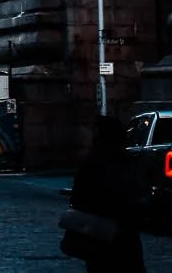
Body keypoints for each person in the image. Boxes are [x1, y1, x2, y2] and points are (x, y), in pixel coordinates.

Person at [61, 115, 146, 272]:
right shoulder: (125, 161)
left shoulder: (92, 162)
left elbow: (79, 196)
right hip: (121, 233)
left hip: (99, 233)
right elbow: (135, 193)